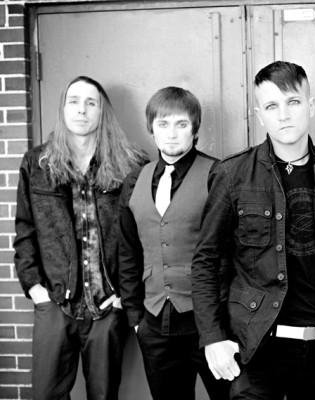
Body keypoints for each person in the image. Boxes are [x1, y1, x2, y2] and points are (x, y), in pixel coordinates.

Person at [192, 61, 315, 400]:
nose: (284, 115)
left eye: (293, 102)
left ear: (311, 106)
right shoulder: (232, 174)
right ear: (260, 115)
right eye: (272, 106)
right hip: (255, 346)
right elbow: (205, 262)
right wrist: (212, 338)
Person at [14, 76, 145, 400]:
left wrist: (125, 294)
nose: (81, 110)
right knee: (46, 394)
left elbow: (145, 233)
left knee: (103, 394)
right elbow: (25, 230)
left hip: (107, 306)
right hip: (55, 301)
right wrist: (35, 288)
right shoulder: (37, 163)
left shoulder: (131, 165)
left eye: (91, 102)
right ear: (63, 109)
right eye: (73, 101)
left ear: (102, 112)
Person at [119, 87, 230, 400]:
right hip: (154, 324)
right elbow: (127, 252)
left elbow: (230, 251)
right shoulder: (134, 181)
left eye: (181, 124)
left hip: (209, 324)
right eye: (163, 124)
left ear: (194, 130)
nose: (171, 133)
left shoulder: (217, 174)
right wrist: (136, 318)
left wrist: (223, 319)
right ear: (151, 129)